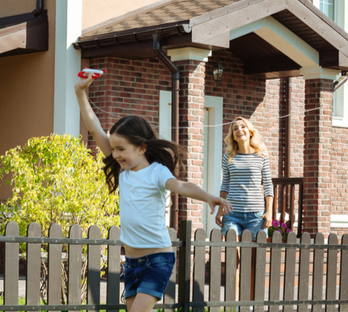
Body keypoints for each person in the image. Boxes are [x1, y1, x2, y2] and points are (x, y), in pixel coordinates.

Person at [74, 71, 231, 312]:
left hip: (158, 259)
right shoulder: (123, 171)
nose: (115, 154)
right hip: (133, 261)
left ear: (141, 148)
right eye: (113, 148)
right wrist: (80, 92)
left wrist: (208, 196)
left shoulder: (156, 172)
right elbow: (95, 129)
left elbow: (181, 186)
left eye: (121, 149)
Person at [214, 117, 274, 240]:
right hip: (231, 213)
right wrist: (220, 209)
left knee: (253, 257)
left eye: (243, 126)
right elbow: (225, 185)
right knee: (232, 254)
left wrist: (269, 212)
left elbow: (268, 185)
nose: (239, 130)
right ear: (233, 136)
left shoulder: (261, 156)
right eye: (235, 128)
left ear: (250, 132)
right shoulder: (228, 157)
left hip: (256, 214)